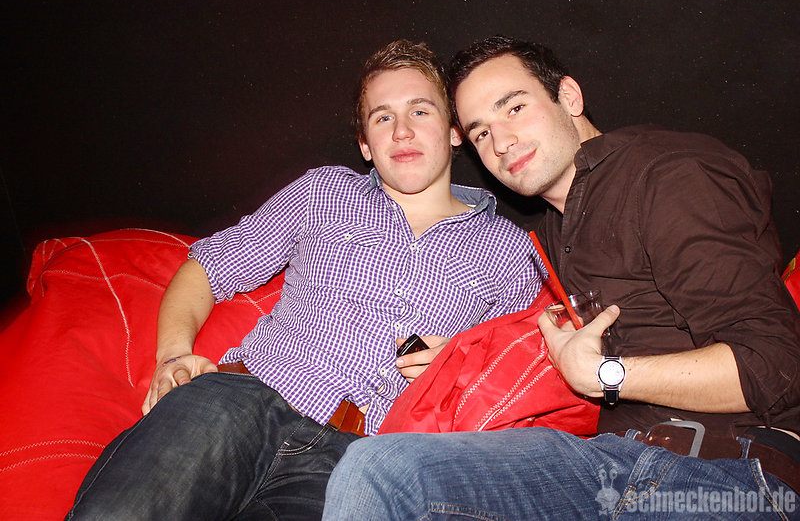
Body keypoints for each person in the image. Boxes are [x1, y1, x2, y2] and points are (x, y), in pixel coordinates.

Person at [65, 40, 546, 520]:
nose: (402, 131)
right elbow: (208, 268)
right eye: (383, 117)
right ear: (365, 144)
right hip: (240, 402)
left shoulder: (511, 251)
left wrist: (457, 369)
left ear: (454, 131)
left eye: (420, 111)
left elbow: (510, 386)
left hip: (354, 462)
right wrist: (172, 356)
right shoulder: (323, 191)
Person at [322, 36, 800, 520]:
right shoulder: (548, 238)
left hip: (726, 473)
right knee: (379, 468)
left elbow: (778, 366)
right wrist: (465, 356)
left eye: (514, 108)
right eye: (481, 132)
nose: (502, 142)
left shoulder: (666, 175)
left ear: (568, 96)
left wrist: (607, 375)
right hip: (604, 470)